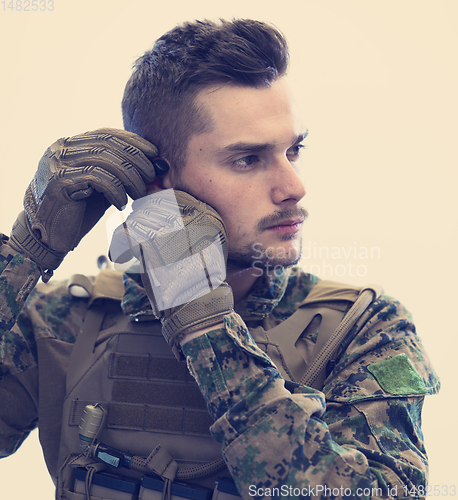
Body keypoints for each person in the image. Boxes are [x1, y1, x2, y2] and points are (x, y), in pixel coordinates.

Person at [0, 18, 439, 500]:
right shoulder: (66, 319)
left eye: (295, 150)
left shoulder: (364, 329)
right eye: (247, 159)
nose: (294, 186)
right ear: (158, 181)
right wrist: (25, 252)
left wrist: (204, 319)